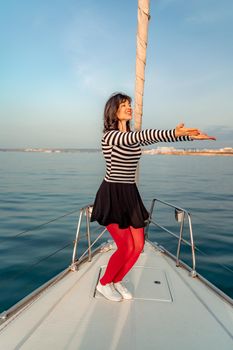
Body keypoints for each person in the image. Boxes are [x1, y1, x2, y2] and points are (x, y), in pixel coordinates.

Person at [90, 92, 215, 302]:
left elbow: (140, 138)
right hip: (112, 194)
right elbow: (142, 136)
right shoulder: (110, 136)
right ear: (113, 110)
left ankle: (116, 279)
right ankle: (104, 284)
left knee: (138, 246)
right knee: (126, 247)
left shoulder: (129, 135)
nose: (129, 107)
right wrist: (174, 133)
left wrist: (188, 137)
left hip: (130, 193)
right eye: (123, 105)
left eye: (129, 104)